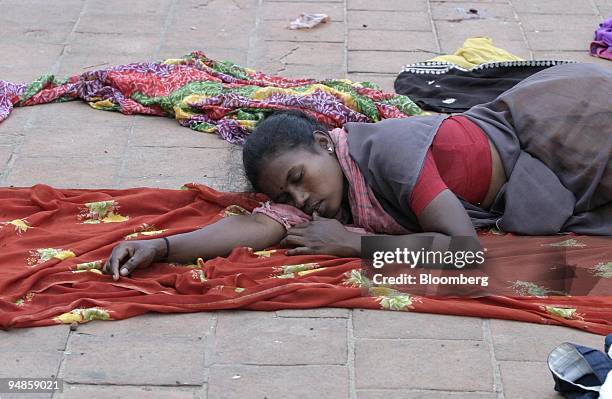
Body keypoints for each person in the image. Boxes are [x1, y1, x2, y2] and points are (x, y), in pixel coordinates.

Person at [103, 63, 612, 280]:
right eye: (287, 193)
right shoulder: (329, 191)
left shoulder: (388, 154)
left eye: (299, 179)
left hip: (566, 121)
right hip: (543, 156)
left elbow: (463, 253)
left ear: (327, 144)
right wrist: (163, 246)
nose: (300, 200)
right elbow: (255, 225)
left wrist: (355, 246)